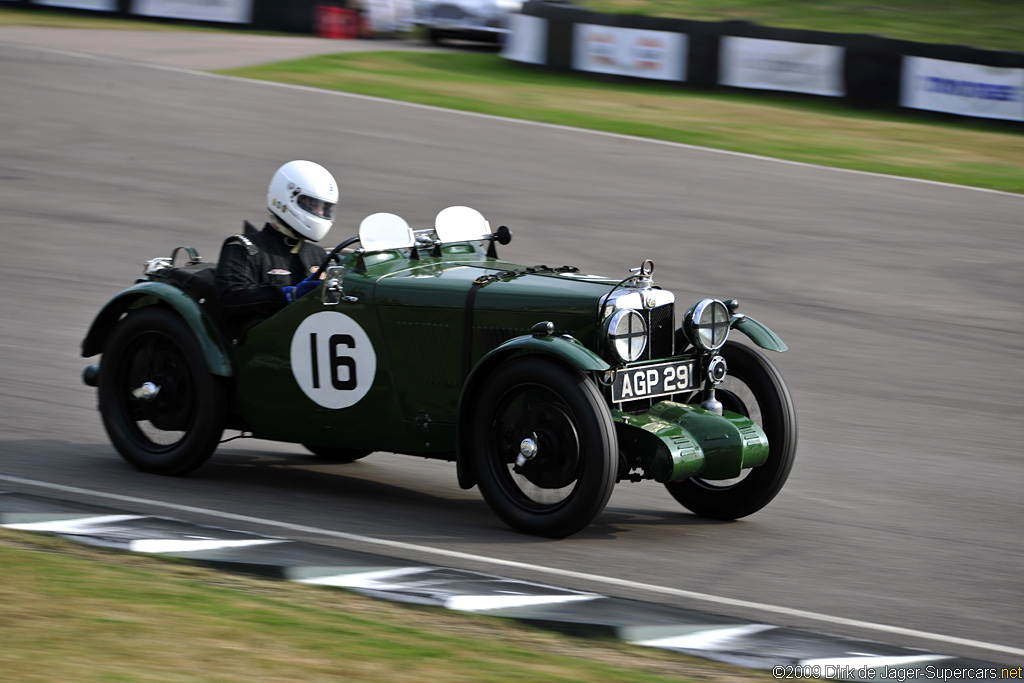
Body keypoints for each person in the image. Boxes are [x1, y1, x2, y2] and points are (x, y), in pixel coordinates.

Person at [216, 160, 338, 336]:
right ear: (287, 198)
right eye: (313, 205)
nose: (320, 213)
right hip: (264, 345)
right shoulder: (243, 248)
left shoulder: (319, 256)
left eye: (323, 208)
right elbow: (231, 301)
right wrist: (287, 295)